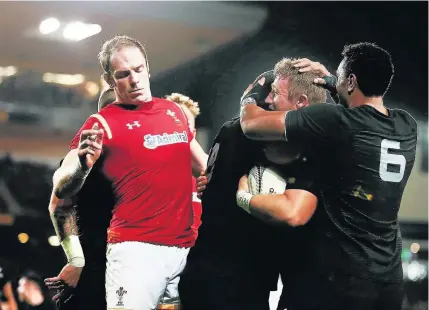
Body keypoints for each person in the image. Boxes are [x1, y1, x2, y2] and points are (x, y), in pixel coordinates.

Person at [240, 42, 418, 310]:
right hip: (389, 280)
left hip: (339, 279)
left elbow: (251, 124)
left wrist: (256, 90)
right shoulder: (406, 126)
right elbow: (362, 116)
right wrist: (335, 81)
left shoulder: (333, 120)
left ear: (351, 80)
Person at [49, 35, 207, 310]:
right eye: (123, 75)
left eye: (138, 70)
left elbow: (205, 167)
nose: (134, 80)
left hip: (180, 250)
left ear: (147, 68)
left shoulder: (171, 113)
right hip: (125, 252)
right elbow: (60, 194)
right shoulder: (99, 128)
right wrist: (76, 260)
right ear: (110, 82)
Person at [179, 58, 327, 310]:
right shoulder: (264, 136)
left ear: (301, 102)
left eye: (276, 94)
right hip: (237, 281)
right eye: (268, 92)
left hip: (211, 273)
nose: (268, 100)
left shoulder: (232, 129)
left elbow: (292, 214)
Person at [165, 93, 203, 241]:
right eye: (170, 122)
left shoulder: (208, 175)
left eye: (183, 124)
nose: (177, 130)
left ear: (192, 133)